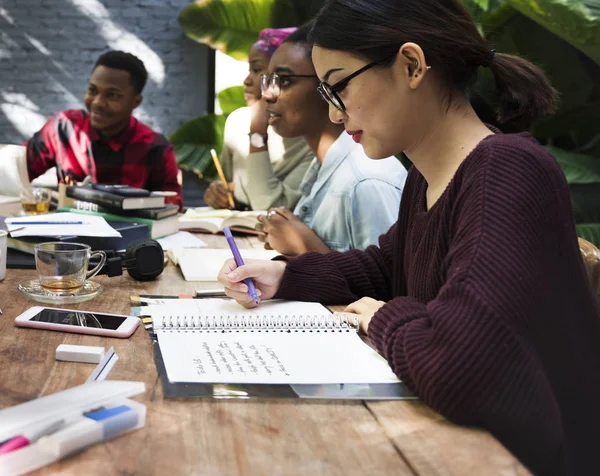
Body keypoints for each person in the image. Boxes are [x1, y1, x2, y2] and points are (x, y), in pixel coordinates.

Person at [218, 1, 600, 475]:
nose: (336, 115)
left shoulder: (506, 171)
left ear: (412, 65)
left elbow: (461, 365)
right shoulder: (428, 176)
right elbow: (386, 267)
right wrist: (287, 274)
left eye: (339, 87)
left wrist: (383, 317)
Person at [255, 25, 407, 254]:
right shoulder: (324, 165)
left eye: (285, 81)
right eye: (269, 80)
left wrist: (304, 248)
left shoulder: (367, 182)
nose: (267, 94)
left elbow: (388, 286)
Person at [25, 50, 182, 208]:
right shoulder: (63, 128)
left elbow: (172, 209)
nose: (98, 103)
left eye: (112, 95)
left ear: (136, 102)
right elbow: (12, 174)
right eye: (93, 91)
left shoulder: (156, 148)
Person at [203, 28, 315, 211]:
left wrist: (257, 133)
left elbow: (271, 207)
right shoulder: (237, 121)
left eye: (257, 70)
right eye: (250, 70)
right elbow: (228, 183)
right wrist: (218, 192)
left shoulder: (310, 136)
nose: (247, 80)